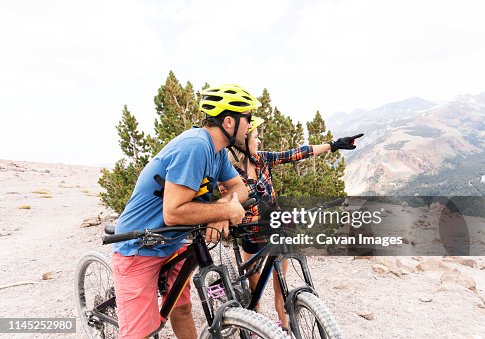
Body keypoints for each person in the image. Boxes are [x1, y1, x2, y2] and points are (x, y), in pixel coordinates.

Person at [111, 84, 260, 339]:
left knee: (182, 308)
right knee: (139, 334)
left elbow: (238, 187)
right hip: (139, 246)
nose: (250, 125)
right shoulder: (196, 146)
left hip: (171, 242)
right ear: (228, 121)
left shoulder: (217, 152)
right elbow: (173, 212)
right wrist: (220, 211)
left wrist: (223, 209)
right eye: (247, 118)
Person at [220, 116, 363, 333]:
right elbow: (234, 214)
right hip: (253, 236)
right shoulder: (230, 176)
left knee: (281, 286)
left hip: (277, 233)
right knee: (254, 292)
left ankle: (284, 329)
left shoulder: (262, 160)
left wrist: (333, 145)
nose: (259, 142)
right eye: (256, 137)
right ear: (243, 142)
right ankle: (251, 327)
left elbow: (295, 154)